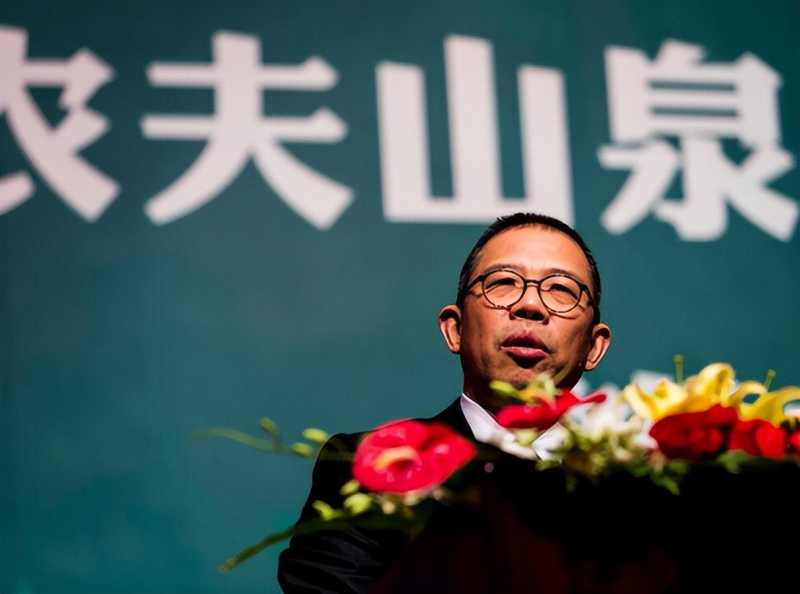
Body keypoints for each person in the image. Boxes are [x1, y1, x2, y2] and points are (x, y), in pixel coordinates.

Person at [278, 212, 612, 593]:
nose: (531, 305)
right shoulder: (371, 467)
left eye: (561, 289)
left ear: (594, 346)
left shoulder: (638, 492)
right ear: (455, 329)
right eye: (503, 283)